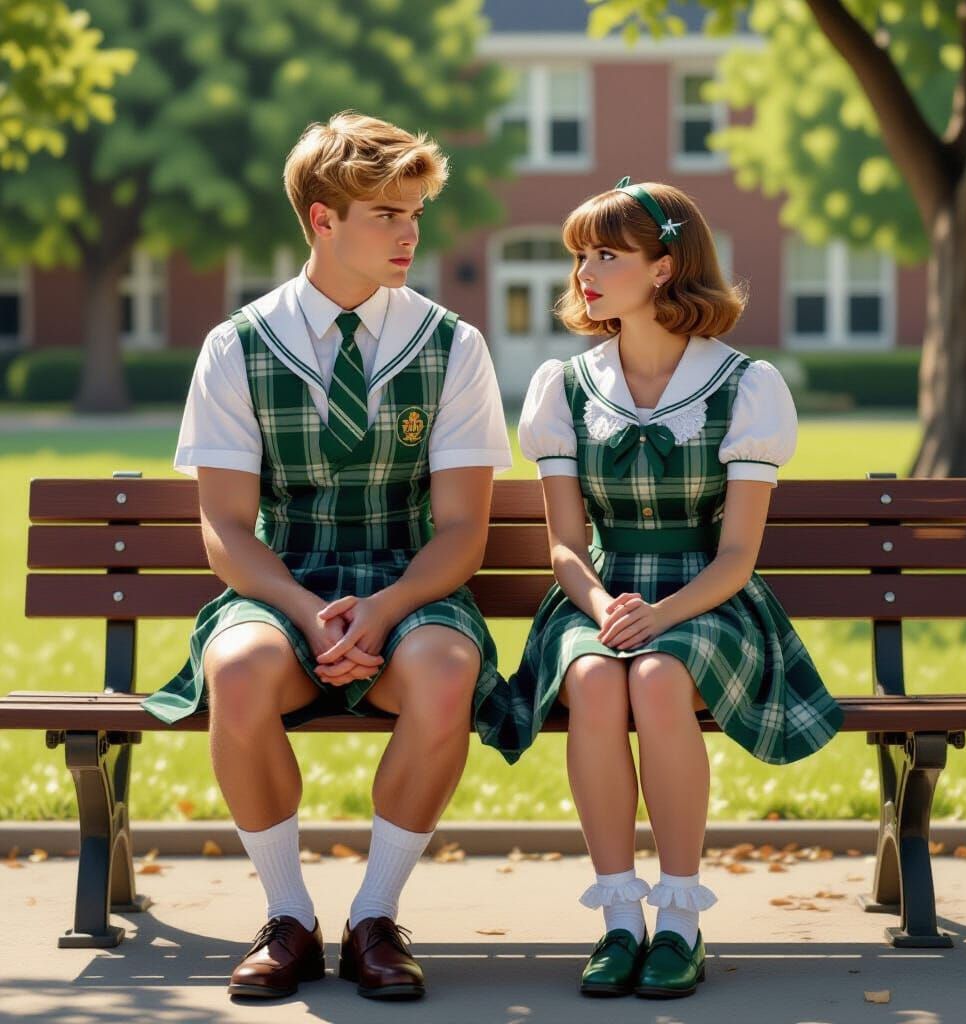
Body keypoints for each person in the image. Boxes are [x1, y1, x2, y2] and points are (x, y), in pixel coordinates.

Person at [142, 111, 513, 1002]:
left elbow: (461, 530)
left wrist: (382, 609)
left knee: (446, 670)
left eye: (415, 213)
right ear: (322, 219)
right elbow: (228, 528)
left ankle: (376, 919)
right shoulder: (237, 345)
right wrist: (308, 614)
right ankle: (290, 920)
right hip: (283, 583)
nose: (409, 234)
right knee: (237, 671)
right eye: (387, 214)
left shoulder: (452, 345)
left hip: (409, 581)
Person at [506, 178, 844, 1000]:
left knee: (658, 678)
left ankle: (682, 920)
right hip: (595, 595)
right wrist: (603, 607)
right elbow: (565, 544)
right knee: (594, 679)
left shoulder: (744, 386)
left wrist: (658, 615)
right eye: (580, 256)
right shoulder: (565, 386)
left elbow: (737, 556)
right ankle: (620, 918)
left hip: (706, 597)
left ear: (664, 268)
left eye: (606, 255)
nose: (585, 273)